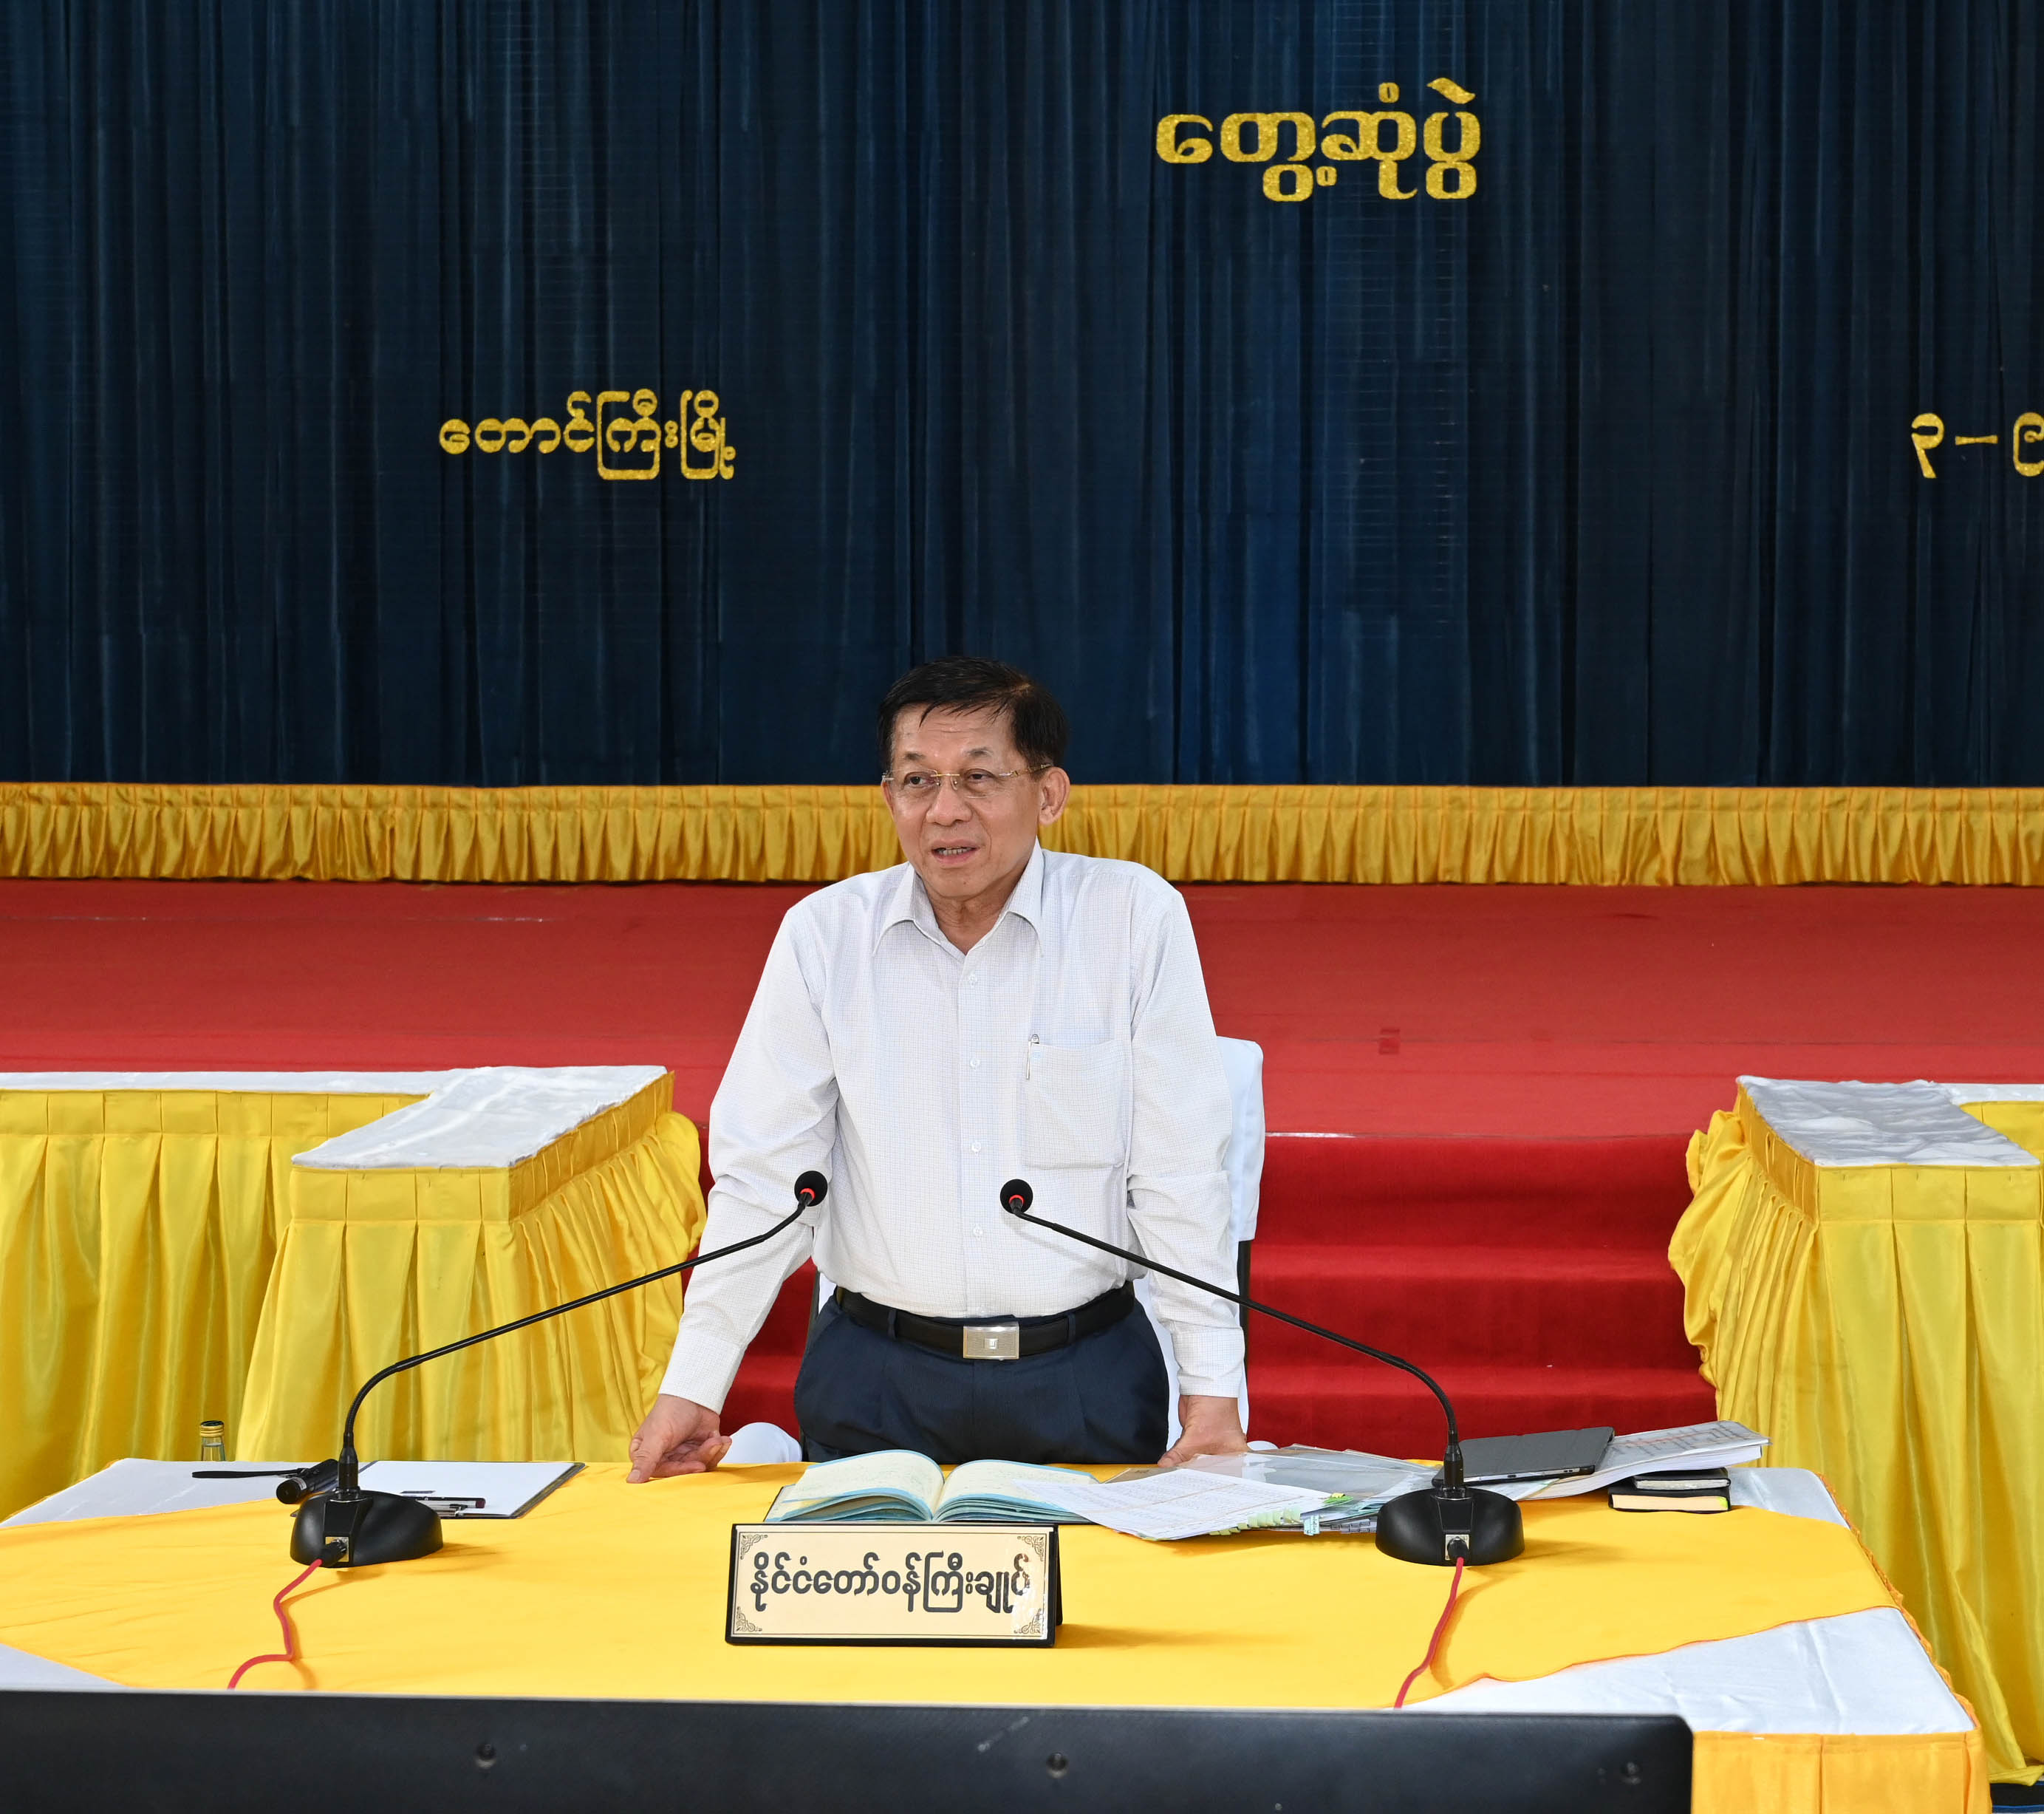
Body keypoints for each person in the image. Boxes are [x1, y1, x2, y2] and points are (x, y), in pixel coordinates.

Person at [627, 655, 1247, 1480]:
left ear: (1049, 795)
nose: (945, 810)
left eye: (979, 777)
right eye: (918, 780)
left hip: (1082, 1377)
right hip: (874, 1378)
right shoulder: (825, 936)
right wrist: (695, 1383)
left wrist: (1212, 1391)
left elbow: (1179, 1174)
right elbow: (764, 1183)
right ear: (889, 798)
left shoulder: (1131, 918)